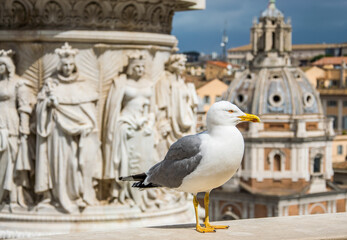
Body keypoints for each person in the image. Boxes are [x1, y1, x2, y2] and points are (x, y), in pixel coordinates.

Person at [35, 43, 102, 213]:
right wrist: (48, 104)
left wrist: (87, 126)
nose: (67, 68)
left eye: (70, 65)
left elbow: (90, 114)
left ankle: (79, 195)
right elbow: (40, 110)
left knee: (75, 165)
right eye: (64, 65)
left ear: (74, 65)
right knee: (60, 165)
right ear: (59, 65)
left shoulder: (83, 86)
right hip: (57, 135)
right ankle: (59, 197)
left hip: (80, 136)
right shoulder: (51, 86)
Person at [103, 52, 157, 209]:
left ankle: (141, 195)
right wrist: (121, 125)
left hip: (145, 129)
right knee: (128, 162)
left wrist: (150, 122)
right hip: (126, 125)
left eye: (142, 67)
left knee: (145, 161)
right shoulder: (122, 83)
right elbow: (114, 109)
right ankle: (126, 194)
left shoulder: (149, 84)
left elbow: (153, 109)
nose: (140, 70)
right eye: (137, 67)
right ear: (131, 68)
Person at [0, 49, 34, 211]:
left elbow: (24, 108)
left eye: (2, 64)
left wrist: (24, 129)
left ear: (9, 66)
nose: (0, 68)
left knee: (11, 160)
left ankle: (13, 197)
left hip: (10, 123)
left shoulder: (18, 83)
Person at [155, 54, 198, 159]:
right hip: (172, 120)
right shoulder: (164, 81)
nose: (182, 68)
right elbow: (162, 105)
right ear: (172, 65)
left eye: (183, 65)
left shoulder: (181, 82)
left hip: (185, 118)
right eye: (180, 65)